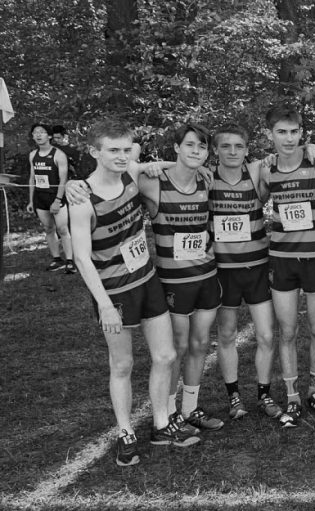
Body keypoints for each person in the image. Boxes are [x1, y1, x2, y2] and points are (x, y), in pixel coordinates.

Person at [68, 120, 198, 466]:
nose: (122, 156)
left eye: (127, 149)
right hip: (115, 292)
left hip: (147, 280)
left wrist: (157, 163)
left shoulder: (131, 174)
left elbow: (177, 163)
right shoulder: (82, 199)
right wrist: (105, 306)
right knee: (122, 364)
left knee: (166, 356)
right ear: (95, 152)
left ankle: (160, 425)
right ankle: (126, 431)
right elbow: (81, 258)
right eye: (113, 150)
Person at [142, 123, 224, 434]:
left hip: (206, 275)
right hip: (174, 282)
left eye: (201, 147)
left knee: (200, 343)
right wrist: (160, 164)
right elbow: (118, 174)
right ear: (176, 148)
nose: (195, 151)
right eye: (189, 145)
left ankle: (190, 408)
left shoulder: (208, 181)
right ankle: (171, 410)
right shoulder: (154, 184)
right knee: (175, 346)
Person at [262, 104, 315, 424]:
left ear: (301, 133)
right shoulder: (265, 169)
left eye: (294, 132)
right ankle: (293, 397)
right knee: (289, 331)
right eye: (282, 132)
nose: (289, 138)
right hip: (281, 260)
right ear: (270, 135)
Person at [207, 124, 277, 421]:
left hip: (257, 268)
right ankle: (234, 396)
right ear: (215, 151)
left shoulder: (256, 174)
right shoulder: (206, 179)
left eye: (238, 146)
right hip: (224, 271)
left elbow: (291, 156)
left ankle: (264, 394)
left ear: (247, 149)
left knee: (266, 335)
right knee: (227, 334)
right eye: (226, 146)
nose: (232, 152)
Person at [27, 123, 75, 273]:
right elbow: (32, 178)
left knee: (62, 229)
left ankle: (70, 261)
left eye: (42, 132)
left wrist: (57, 200)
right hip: (40, 198)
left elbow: (63, 179)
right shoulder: (32, 155)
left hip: (56, 197)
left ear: (49, 136)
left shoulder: (58, 154)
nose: (38, 135)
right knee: (48, 228)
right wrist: (30, 200)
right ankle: (56, 259)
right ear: (33, 136)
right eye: (35, 133)